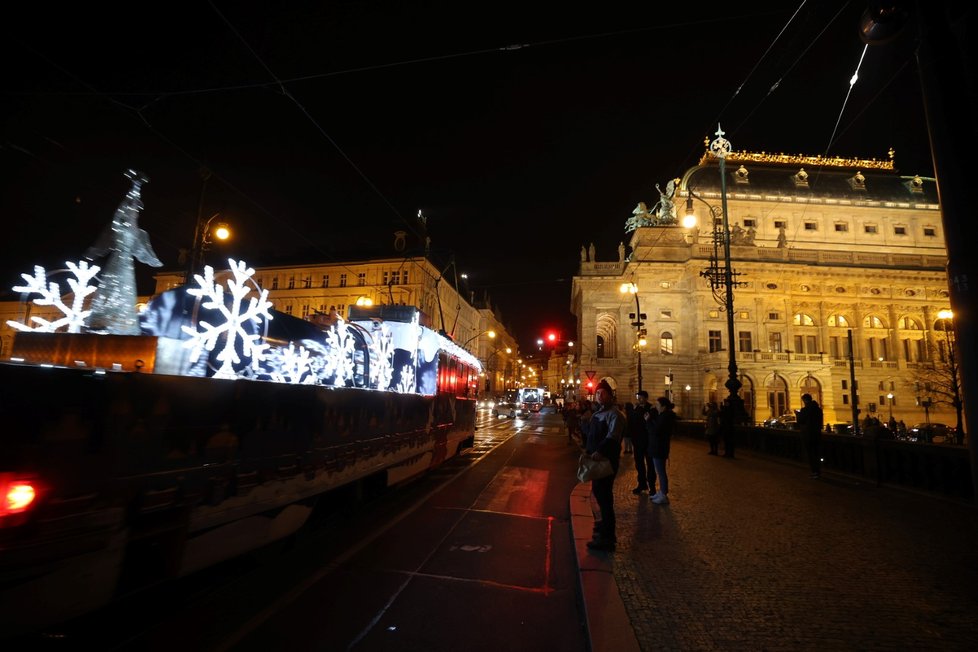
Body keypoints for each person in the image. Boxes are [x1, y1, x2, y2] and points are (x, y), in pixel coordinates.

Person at [584, 380, 625, 552]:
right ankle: (601, 527)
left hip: (606, 460)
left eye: (602, 393)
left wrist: (600, 451)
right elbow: (591, 434)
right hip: (595, 460)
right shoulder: (597, 413)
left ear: (610, 395)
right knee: (598, 493)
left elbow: (613, 437)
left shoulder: (615, 414)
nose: (599, 396)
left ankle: (608, 537)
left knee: (605, 497)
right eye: (597, 393)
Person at [646, 397, 676, 504]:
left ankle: (663, 494)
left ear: (663, 407)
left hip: (659, 447)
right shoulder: (663, 416)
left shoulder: (665, 417)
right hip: (658, 447)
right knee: (659, 471)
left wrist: (648, 421)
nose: (656, 406)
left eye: (658, 405)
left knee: (661, 472)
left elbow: (655, 431)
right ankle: (662, 492)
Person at [628, 391, 655, 494]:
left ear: (646, 398)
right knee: (639, 464)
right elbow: (631, 423)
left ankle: (652, 487)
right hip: (637, 441)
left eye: (641, 397)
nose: (639, 399)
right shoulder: (636, 409)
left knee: (650, 465)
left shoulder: (651, 409)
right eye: (638, 397)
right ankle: (642, 484)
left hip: (648, 441)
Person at [796, 393, 824, 479]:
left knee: (811, 454)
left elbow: (800, 421)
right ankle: (818, 471)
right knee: (817, 453)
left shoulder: (805, 410)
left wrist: (797, 414)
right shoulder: (818, 409)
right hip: (817, 434)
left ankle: (814, 472)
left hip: (808, 434)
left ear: (805, 400)